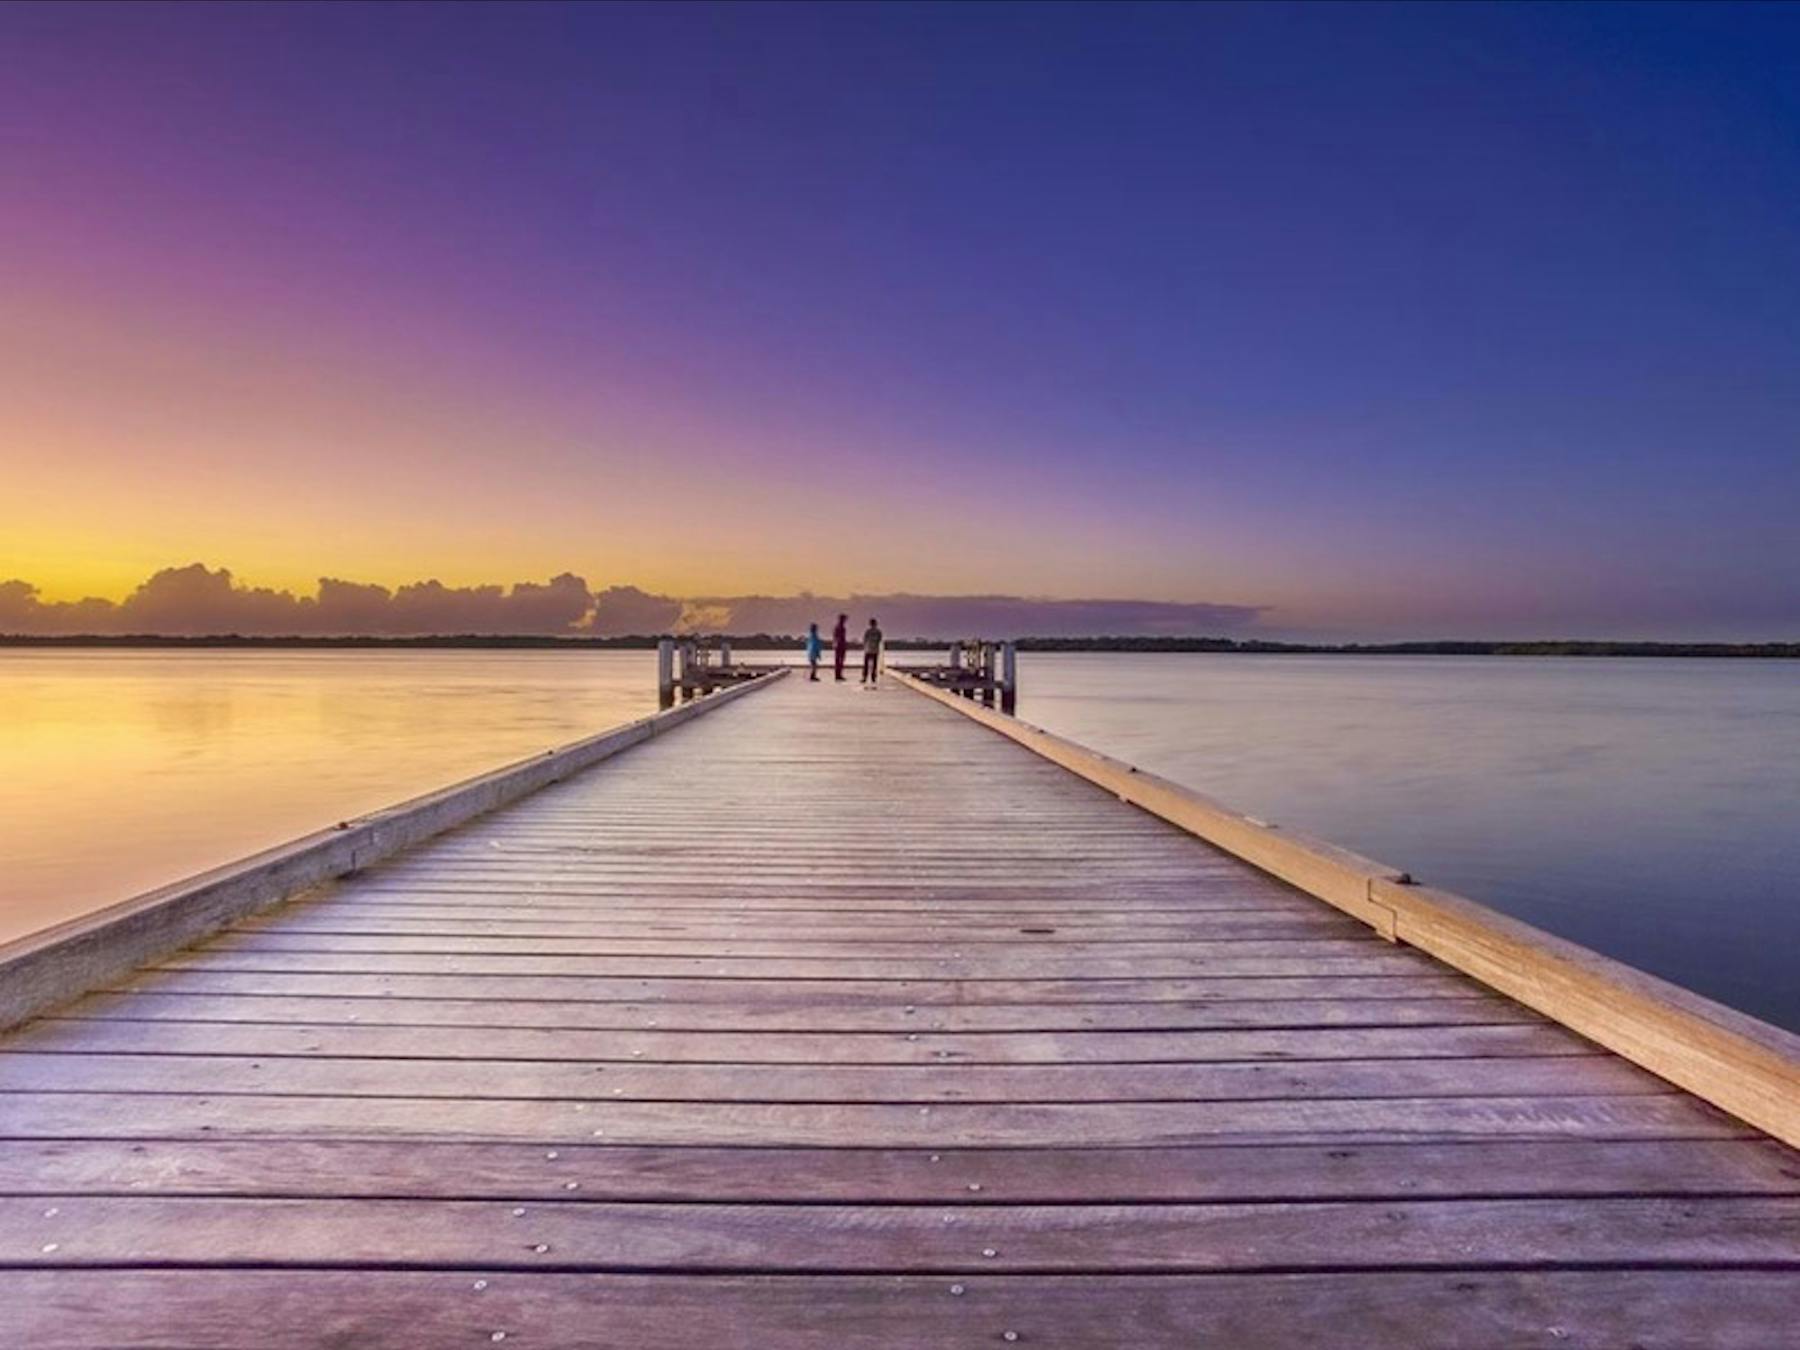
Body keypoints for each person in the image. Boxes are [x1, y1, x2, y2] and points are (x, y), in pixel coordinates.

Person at [861, 617, 883, 686]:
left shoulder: (868, 631)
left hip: (868, 650)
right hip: (875, 650)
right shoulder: (878, 632)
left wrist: (865, 646)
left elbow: (864, 640)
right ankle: (873, 677)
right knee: (874, 665)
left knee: (866, 665)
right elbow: (879, 640)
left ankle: (865, 677)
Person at [831, 613, 849, 682]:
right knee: (839, 661)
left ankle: (838, 675)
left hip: (839, 645)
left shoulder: (838, 627)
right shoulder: (840, 627)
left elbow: (835, 637)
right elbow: (838, 637)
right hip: (840, 646)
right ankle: (838, 675)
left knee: (839, 661)